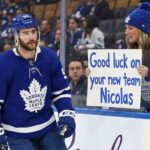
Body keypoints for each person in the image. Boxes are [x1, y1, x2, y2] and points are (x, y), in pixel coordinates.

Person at [0, 14, 75, 150]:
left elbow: (61, 93)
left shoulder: (49, 57)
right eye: (25, 33)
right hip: (16, 134)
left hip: (48, 128)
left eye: (33, 31)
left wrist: (66, 113)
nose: (31, 37)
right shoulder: (4, 64)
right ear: (16, 36)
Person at [86, 2, 150, 112]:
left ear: (142, 29)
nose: (126, 32)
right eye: (126, 28)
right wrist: (94, 73)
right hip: (129, 113)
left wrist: (149, 74)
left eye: (130, 28)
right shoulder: (124, 50)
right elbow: (114, 79)